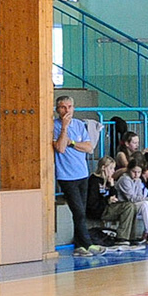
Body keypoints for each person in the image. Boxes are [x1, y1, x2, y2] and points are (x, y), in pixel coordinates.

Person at [52, 95, 99, 257]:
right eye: (63, 107)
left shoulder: (79, 125)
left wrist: (72, 143)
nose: (67, 110)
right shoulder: (54, 126)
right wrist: (64, 128)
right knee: (77, 211)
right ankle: (87, 243)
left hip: (82, 174)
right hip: (66, 176)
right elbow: (60, 148)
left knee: (81, 211)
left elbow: (89, 147)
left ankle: (80, 246)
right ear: (57, 109)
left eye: (70, 107)